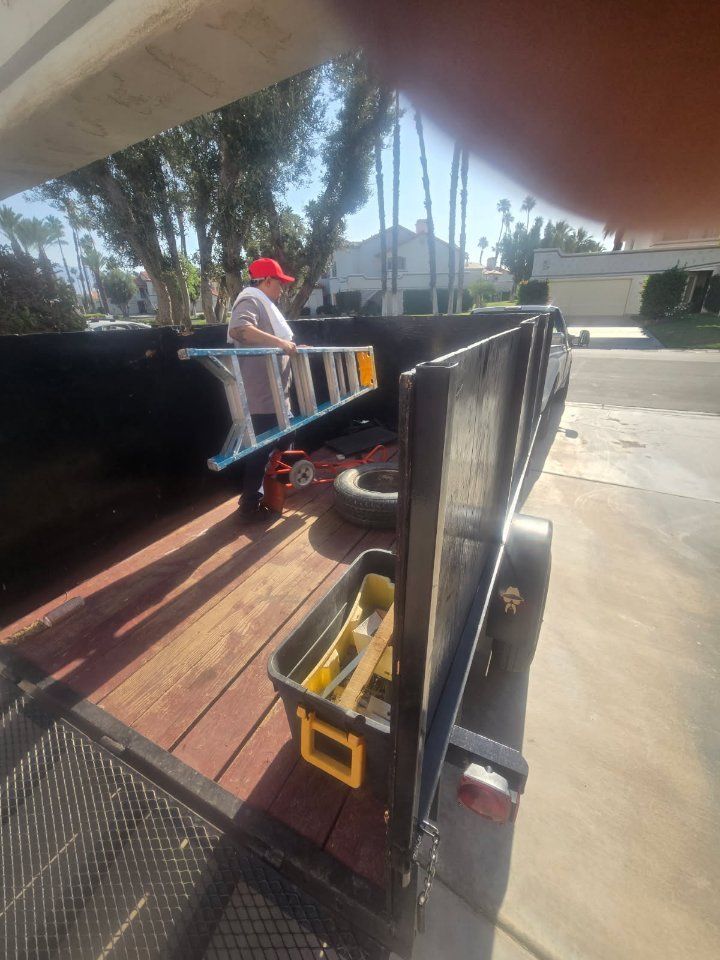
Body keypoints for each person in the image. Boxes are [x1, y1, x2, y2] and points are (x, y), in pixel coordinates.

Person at [227, 257, 297, 520]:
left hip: (276, 397)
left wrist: (291, 348)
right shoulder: (251, 300)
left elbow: (279, 345)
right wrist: (280, 342)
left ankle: (271, 498)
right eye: (279, 284)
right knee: (261, 452)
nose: (281, 290)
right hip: (263, 398)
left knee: (280, 445)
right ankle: (249, 506)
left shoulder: (263, 303)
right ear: (267, 281)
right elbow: (240, 329)